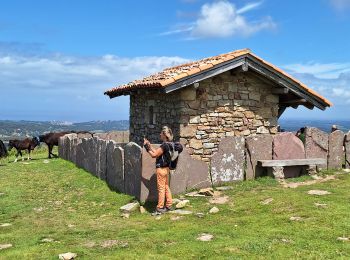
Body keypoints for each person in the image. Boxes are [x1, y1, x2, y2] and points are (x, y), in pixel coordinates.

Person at [143, 126, 173, 214]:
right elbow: (158, 152)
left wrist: (146, 147)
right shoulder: (169, 144)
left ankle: (160, 207)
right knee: (166, 187)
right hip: (166, 169)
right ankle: (169, 205)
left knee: (161, 188)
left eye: (161, 133)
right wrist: (149, 145)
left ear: (164, 134)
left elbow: (154, 155)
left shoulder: (164, 145)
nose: (160, 134)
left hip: (161, 169)